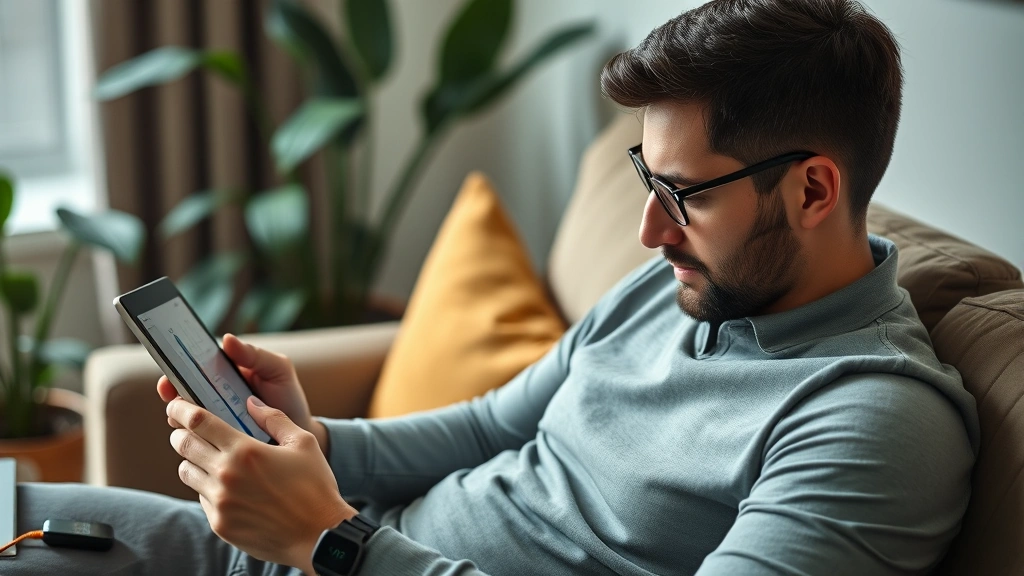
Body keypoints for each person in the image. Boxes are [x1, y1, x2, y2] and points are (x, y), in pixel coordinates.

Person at [7, 0, 979, 574]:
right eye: (646, 182)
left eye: (681, 195)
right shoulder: (680, 285)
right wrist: (305, 441)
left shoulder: (872, 421)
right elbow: (485, 429)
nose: (648, 231)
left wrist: (335, 543)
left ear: (813, 189)